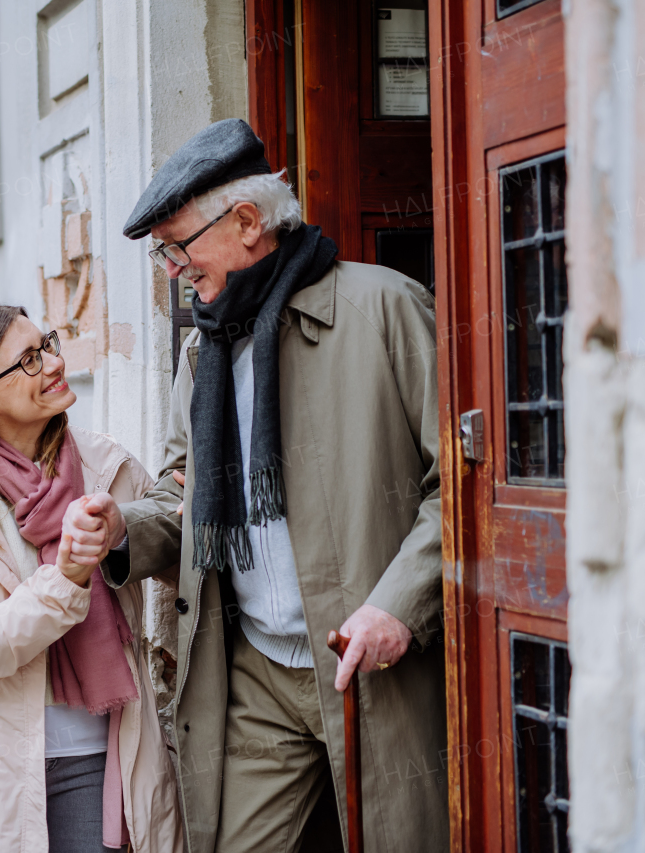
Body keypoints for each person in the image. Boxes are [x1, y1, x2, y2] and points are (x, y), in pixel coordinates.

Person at [62, 119, 447, 853]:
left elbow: (460, 486)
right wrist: (123, 529)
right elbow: (187, 495)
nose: (172, 268)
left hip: (374, 668)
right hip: (257, 674)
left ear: (247, 222)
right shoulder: (204, 350)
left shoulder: (384, 308)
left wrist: (399, 604)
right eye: (162, 253)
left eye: (179, 246)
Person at [0, 305, 183, 853]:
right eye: (28, 360)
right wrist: (67, 577)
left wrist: (131, 535)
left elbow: (178, 574)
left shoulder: (109, 469)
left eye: (46, 344)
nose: (53, 362)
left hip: (105, 758)